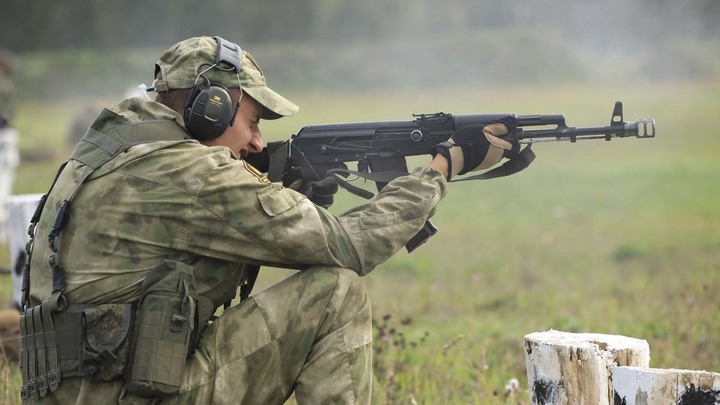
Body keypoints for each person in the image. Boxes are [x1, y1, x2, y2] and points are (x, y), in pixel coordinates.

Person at [20, 36, 518, 404]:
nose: (258, 142)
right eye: (252, 120)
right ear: (208, 110)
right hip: (130, 396)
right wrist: (442, 168)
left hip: (79, 391)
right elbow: (349, 245)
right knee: (335, 293)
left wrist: (283, 189)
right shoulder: (189, 172)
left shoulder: (107, 151)